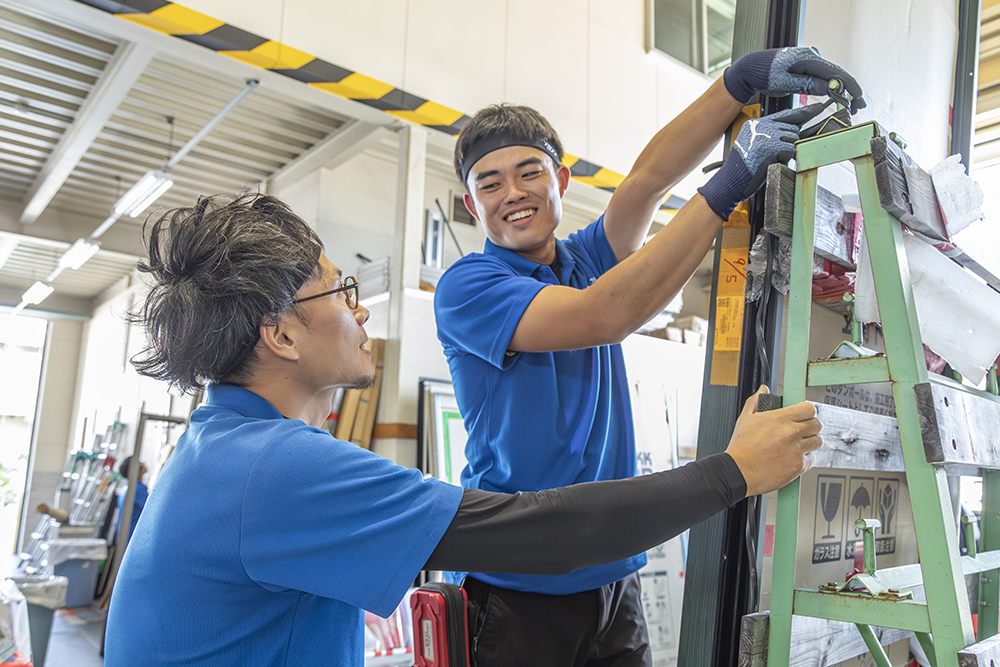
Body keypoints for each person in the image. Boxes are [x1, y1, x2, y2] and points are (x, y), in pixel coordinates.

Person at [104, 193, 821, 666]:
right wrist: (734, 472)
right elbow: (544, 534)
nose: (360, 309)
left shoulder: (225, 446)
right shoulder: (270, 467)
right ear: (281, 335)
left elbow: (639, 193)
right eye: (341, 290)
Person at [434, 46, 863, 666]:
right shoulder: (468, 287)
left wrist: (737, 82)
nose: (514, 193)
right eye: (490, 183)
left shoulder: (584, 258)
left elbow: (645, 182)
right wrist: (729, 182)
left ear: (561, 181)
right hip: (517, 584)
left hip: (612, 573)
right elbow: (603, 315)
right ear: (472, 204)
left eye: (530, 172)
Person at [114, 456, 148, 545]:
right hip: (133, 537)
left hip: (124, 536)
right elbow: (152, 509)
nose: (144, 464)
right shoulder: (137, 489)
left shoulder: (125, 488)